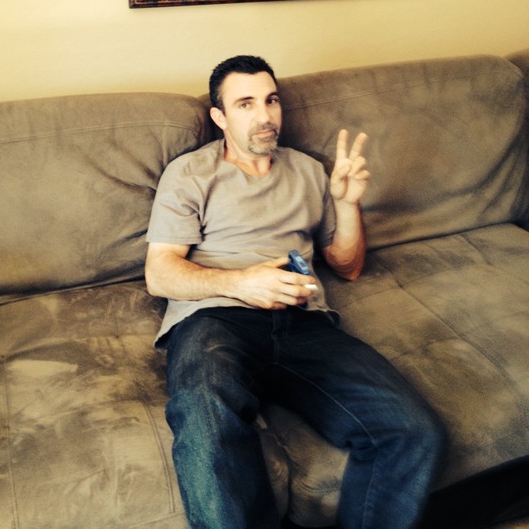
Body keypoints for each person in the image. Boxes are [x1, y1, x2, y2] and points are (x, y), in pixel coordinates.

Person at [145, 55, 447, 529]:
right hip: (216, 320)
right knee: (206, 419)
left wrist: (346, 204)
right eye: (245, 104)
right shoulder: (190, 174)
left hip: (305, 323)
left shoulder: (308, 170)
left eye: (271, 100)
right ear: (219, 117)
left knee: (413, 431)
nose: (264, 115)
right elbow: (160, 274)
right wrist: (242, 283)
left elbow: (347, 266)